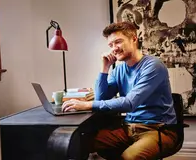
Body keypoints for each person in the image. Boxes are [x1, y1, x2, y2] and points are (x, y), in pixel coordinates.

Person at [62, 21, 177, 160]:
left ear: (134, 39)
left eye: (118, 42)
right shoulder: (119, 70)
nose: (114, 49)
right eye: (110, 45)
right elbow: (101, 98)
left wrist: (87, 104)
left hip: (158, 130)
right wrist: (104, 68)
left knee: (129, 157)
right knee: (80, 143)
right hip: (129, 128)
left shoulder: (154, 66)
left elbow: (129, 103)